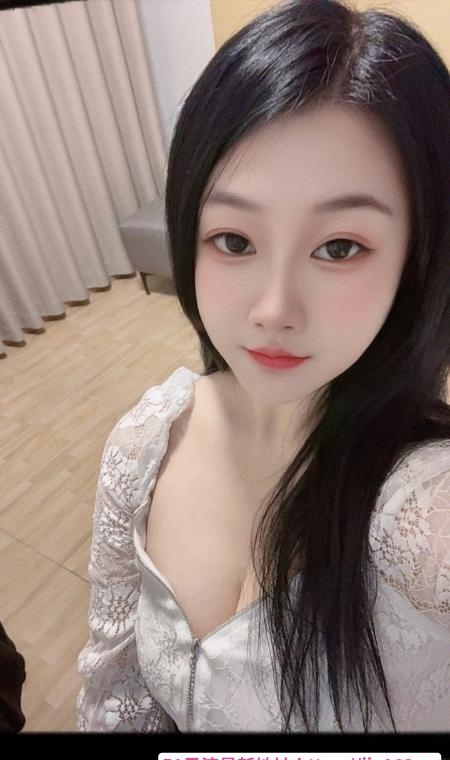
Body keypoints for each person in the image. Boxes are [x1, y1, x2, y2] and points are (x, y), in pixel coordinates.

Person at [77, 0, 450, 733]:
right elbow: (114, 697)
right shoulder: (146, 442)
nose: (273, 309)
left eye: (339, 247)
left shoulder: (425, 509)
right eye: (234, 241)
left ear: (417, 256)